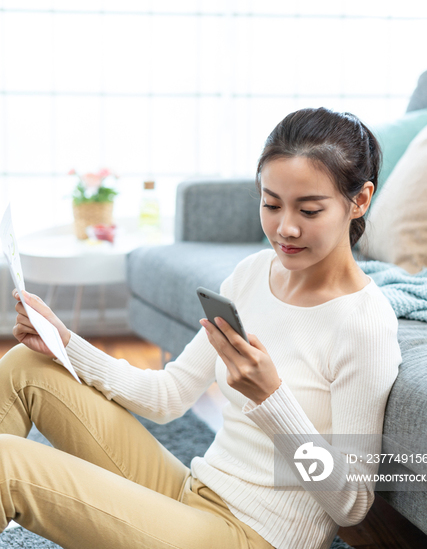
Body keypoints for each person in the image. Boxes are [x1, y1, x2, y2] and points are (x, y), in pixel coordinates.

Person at [0, 107, 402, 549]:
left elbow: (353, 503)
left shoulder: (364, 326)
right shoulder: (254, 273)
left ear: (359, 200)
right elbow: (167, 395)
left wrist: (271, 399)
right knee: (27, 367)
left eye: (309, 210)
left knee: (6, 465)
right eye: (271, 204)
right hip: (193, 495)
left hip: (249, 538)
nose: (285, 228)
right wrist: (65, 343)